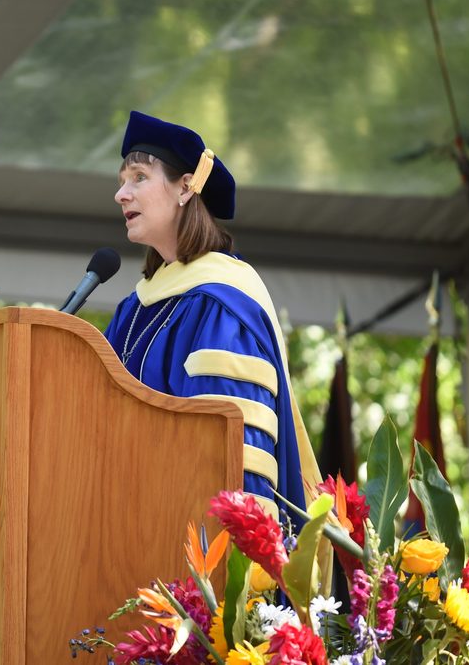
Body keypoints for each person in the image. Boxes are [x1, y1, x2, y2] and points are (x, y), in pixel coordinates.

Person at [104, 111, 322, 526]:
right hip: (123, 536)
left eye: (138, 177)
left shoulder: (222, 305)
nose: (121, 194)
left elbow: (238, 462)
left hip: (195, 564)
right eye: (121, 182)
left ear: (186, 187)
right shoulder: (133, 310)